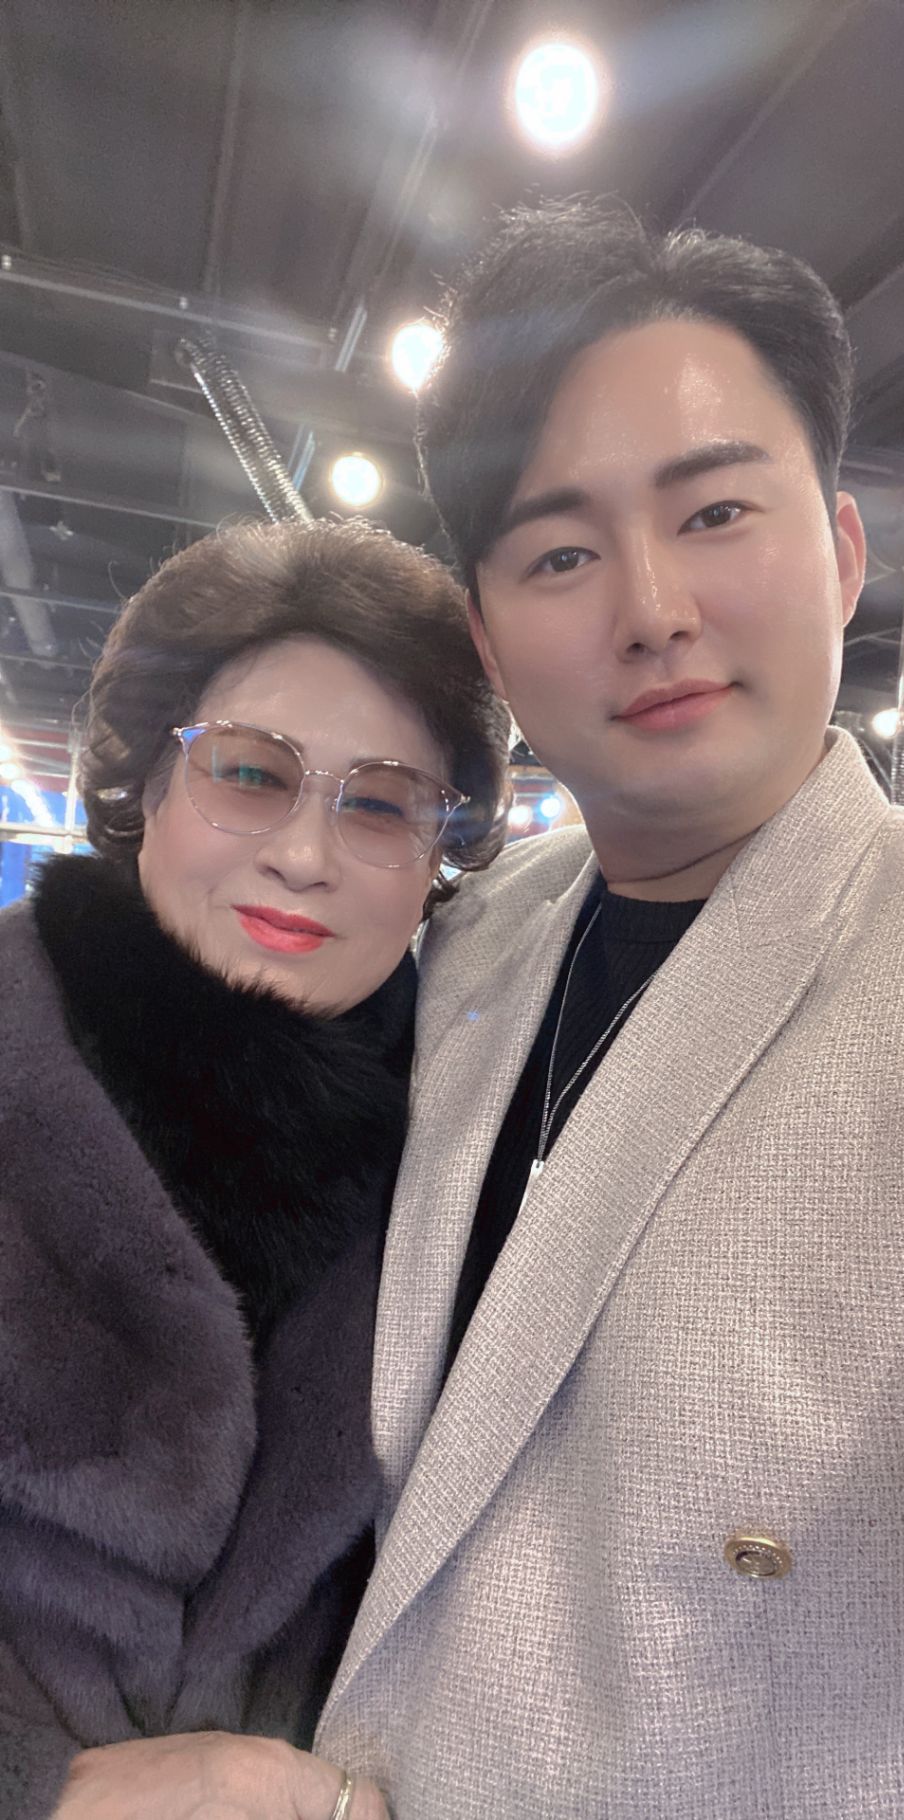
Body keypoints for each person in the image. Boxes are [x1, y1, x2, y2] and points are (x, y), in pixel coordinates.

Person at [313, 198, 904, 1817]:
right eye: (562, 554)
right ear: (488, 640)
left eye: (714, 513)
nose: (651, 607)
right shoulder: (464, 945)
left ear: (843, 552)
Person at [0, 517, 507, 1820]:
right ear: (145, 783)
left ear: (438, 858)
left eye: (382, 803)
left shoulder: (475, 1153)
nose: (306, 854)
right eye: (248, 774)